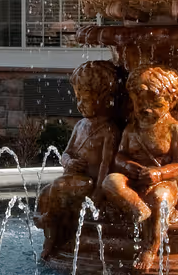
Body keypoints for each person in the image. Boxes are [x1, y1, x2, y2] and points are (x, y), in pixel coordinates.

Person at [34, 59, 124, 257]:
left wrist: (99, 192)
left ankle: (50, 222)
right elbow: (66, 153)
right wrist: (69, 162)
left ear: (104, 99)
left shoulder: (108, 130)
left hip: (90, 182)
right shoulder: (80, 126)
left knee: (58, 188)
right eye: (78, 99)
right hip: (74, 177)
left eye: (86, 99)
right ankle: (51, 235)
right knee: (45, 192)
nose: (80, 104)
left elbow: (106, 164)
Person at [102, 65, 178, 260]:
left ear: (171, 100)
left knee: (160, 198)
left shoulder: (176, 130)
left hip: (167, 181)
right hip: (135, 178)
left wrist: (160, 173)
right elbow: (120, 155)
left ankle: (152, 246)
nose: (146, 108)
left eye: (155, 103)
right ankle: (139, 208)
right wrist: (127, 166)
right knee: (111, 181)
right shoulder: (131, 129)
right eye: (139, 103)